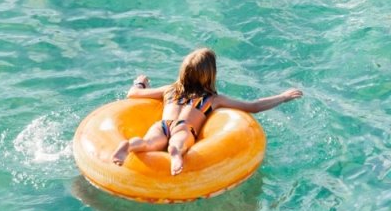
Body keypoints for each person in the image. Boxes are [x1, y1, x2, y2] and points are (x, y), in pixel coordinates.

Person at [112, 47, 303, 175]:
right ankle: (175, 153)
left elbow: (133, 93)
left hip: (162, 125)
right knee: (179, 142)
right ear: (210, 75)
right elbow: (253, 106)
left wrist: (141, 82)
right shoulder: (212, 99)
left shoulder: (169, 90)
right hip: (184, 128)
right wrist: (283, 96)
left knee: (148, 142)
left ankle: (128, 146)